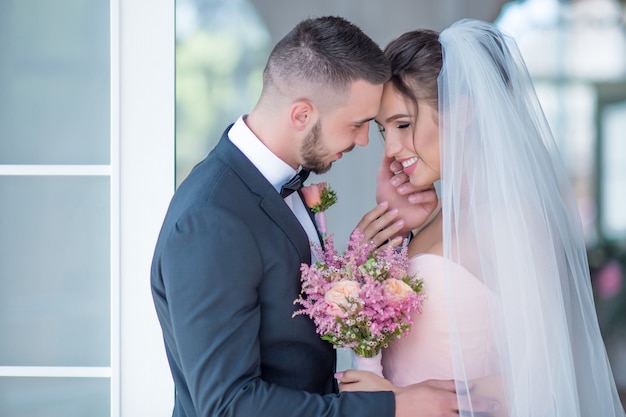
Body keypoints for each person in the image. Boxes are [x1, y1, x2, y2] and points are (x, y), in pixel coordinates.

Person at [150, 15, 496, 417]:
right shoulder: (211, 220)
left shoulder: (282, 185)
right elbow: (228, 406)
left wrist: (388, 237)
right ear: (302, 115)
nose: (367, 142)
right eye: (358, 124)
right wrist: (389, 406)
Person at [337, 18, 626, 417]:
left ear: (464, 112)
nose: (391, 150)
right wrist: (394, 236)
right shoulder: (429, 223)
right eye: (386, 131)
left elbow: (540, 379)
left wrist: (398, 400)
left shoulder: (514, 222)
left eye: (403, 124)